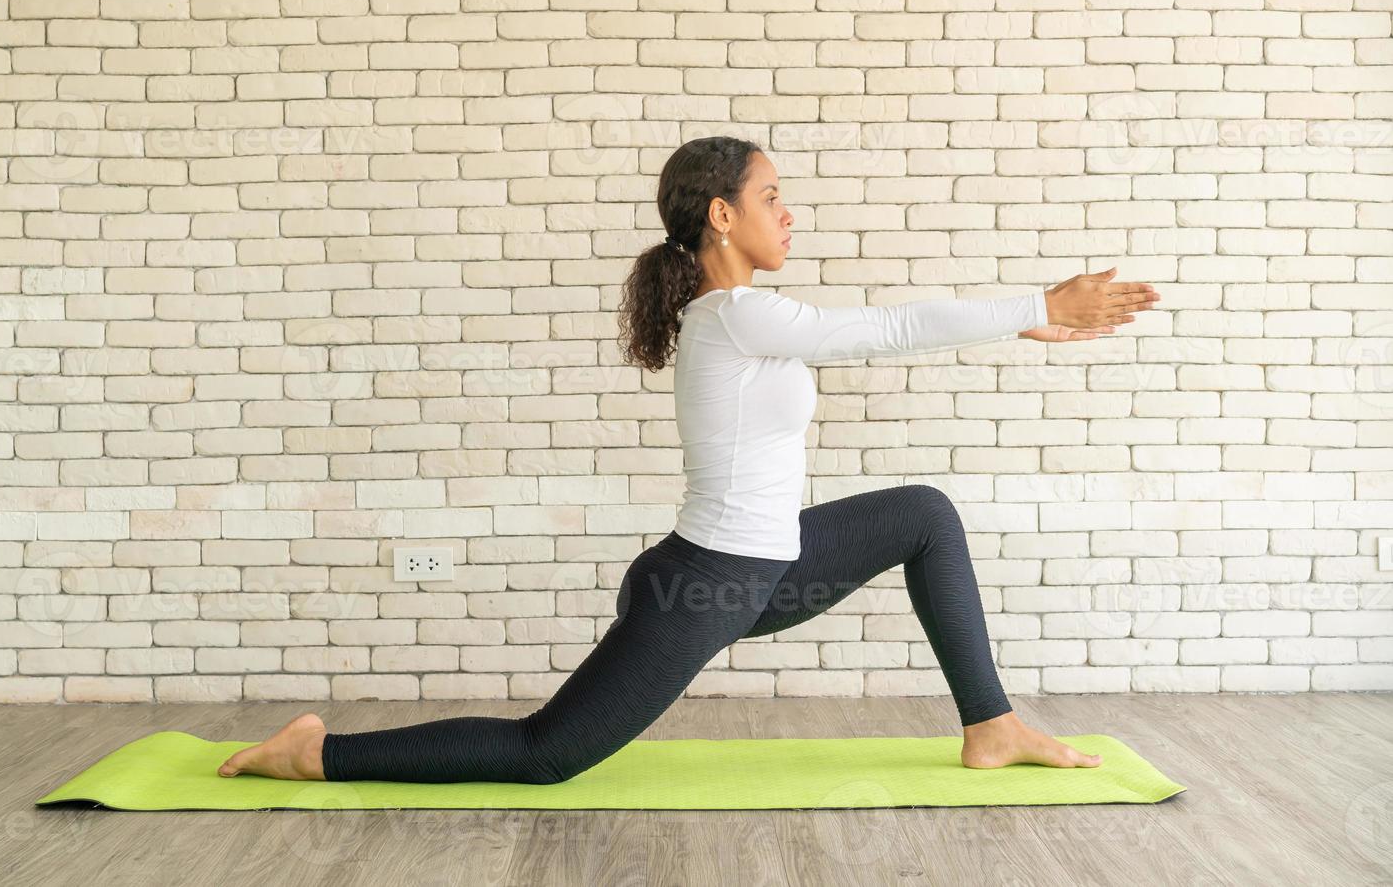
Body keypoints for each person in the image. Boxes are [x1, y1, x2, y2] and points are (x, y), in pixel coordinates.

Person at [218, 136, 1160, 782]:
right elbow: (889, 327)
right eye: (772, 197)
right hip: (702, 587)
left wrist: (1028, 322)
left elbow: (871, 334)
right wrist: (1036, 299)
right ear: (721, 213)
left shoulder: (749, 323)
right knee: (546, 753)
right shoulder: (735, 315)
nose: (788, 215)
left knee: (923, 514)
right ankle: (316, 752)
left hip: (768, 569)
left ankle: (990, 725)